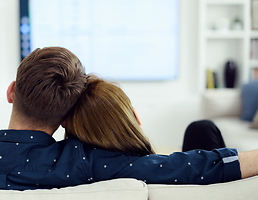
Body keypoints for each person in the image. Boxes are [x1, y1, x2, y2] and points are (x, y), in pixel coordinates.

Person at [0, 47, 255, 190]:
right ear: (68, 116)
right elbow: (190, 166)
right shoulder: (87, 162)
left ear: (11, 91)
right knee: (203, 131)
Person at [64, 75, 258, 183]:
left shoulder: (57, 165)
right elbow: (208, 164)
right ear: (134, 116)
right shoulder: (157, 169)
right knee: (201, 130)